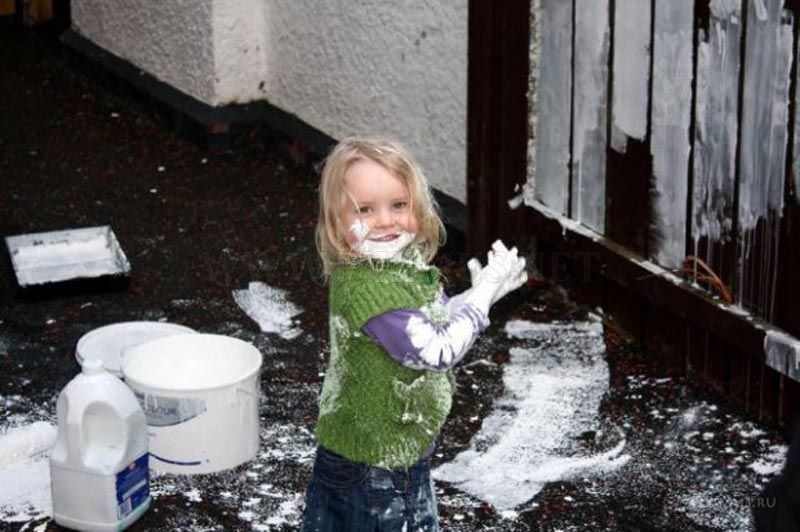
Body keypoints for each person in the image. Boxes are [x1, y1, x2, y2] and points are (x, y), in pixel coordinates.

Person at [302, 136, 527, 531]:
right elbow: (437, 349)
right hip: (381, 467)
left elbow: (430, 322)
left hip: (360, 449)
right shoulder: (373, 291)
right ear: (336, 221)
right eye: (365, 209)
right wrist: (486, 292)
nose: (386, 221)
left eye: (399, 205)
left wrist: (479, 297)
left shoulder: (390, 267)